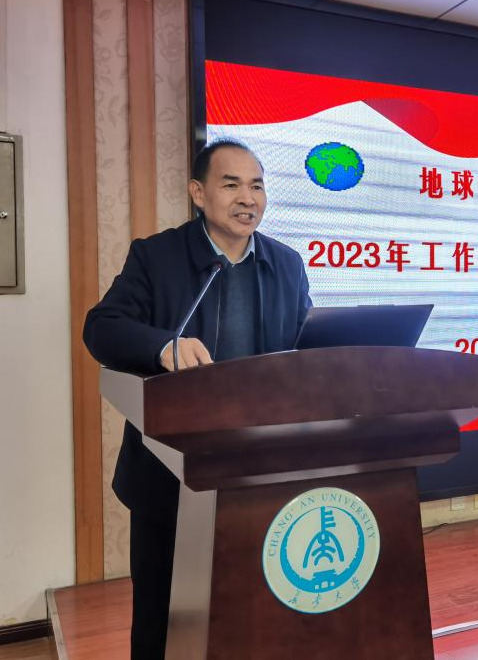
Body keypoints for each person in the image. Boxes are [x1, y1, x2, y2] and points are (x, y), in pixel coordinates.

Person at [83, 140, 312, 659]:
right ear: (198, 193)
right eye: (231, 185)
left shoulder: (286, 264)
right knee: (163, 618)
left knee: (251, 610)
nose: (248, 198)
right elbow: (101, 328)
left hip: (259, 472)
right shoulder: (156, 257)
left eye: (257, 186)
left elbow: (304, 348)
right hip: (171, 472)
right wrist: (163, 347)